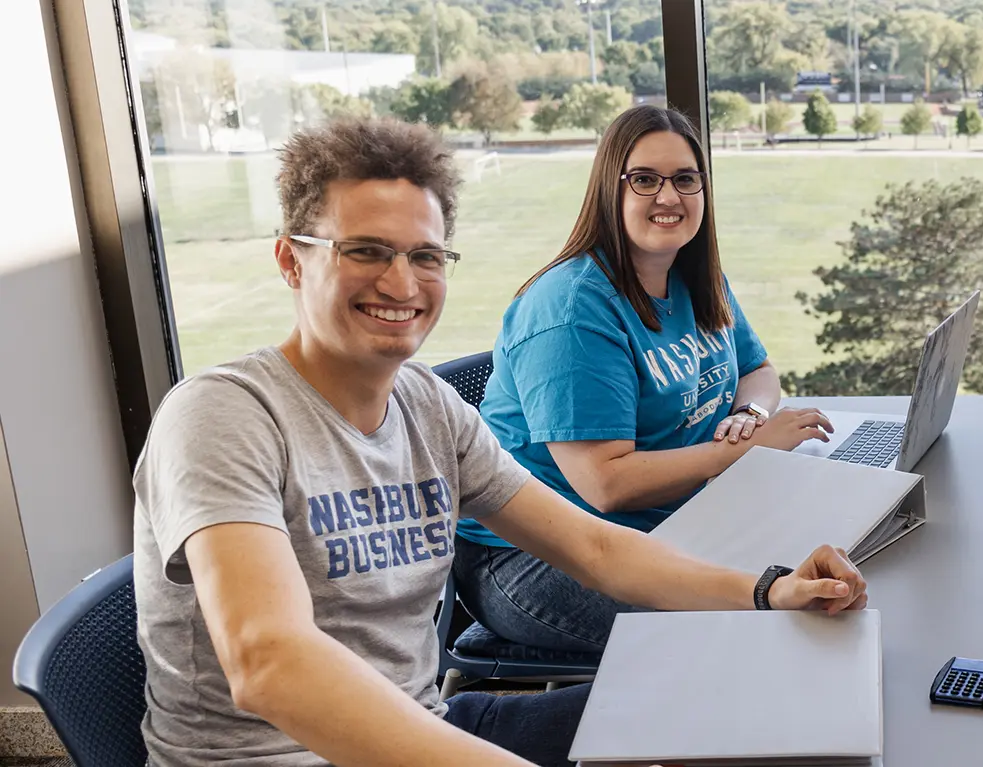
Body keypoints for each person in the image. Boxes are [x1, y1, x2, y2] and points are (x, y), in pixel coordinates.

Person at [132, 118, 869, 767]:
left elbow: (599, 550)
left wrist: (768, 591)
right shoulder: (222, 415)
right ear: (292, 260)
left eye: (425, 256)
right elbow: (269, 663)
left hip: (424, 717)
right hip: (280, 756)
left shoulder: (427, 405)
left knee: (726, 700)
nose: (401, 281)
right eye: (365, 250)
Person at [450, 105, 834, 654]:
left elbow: (758, 371)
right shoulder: (571, 309)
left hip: (676, 519)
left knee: (833, 558)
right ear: (612, 189)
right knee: (763, 626)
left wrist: (749, 419)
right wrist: (744, 454)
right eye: (645, 180)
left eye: (685, 178)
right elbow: (607, 486)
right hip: (540, 556)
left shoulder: (694, 274)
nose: (669, 197)